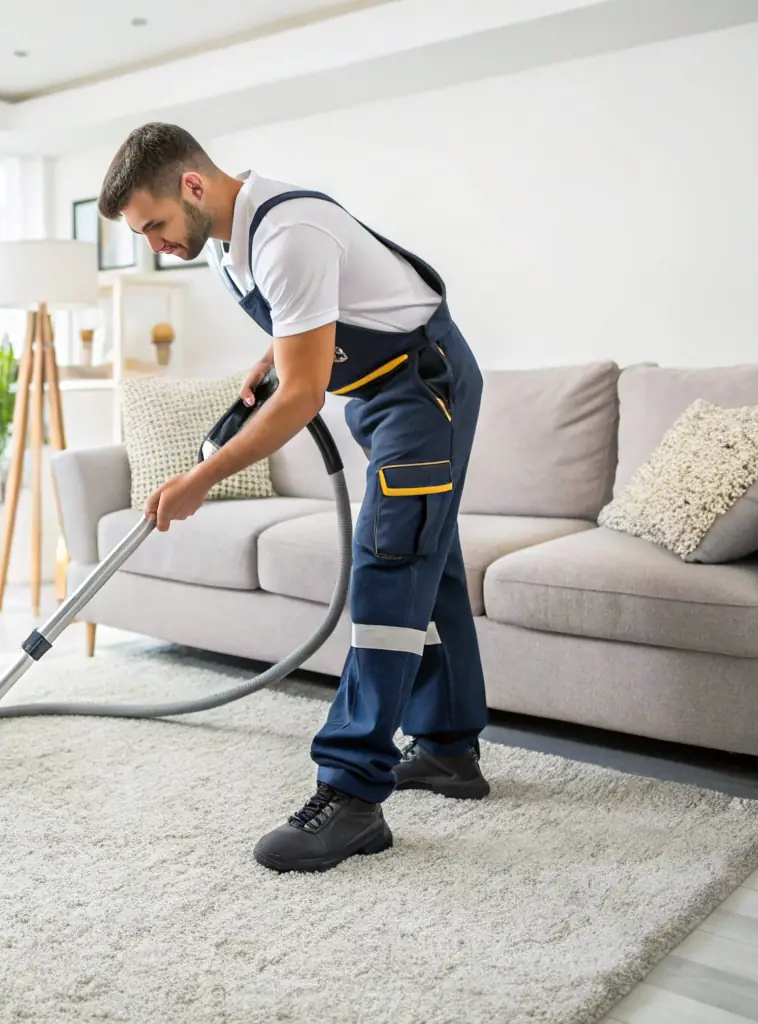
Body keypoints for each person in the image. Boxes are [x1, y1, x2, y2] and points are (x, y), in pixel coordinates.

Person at [97, 122, 490, 873]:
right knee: (424, 562)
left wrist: (200, 482)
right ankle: (447, 750)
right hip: (382, 399)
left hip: (421, 391)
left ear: (192, 186)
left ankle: (349, 793)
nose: (154, 244)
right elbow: (310, 330)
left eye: (153, 225)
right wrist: (270, 359)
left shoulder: (288, 232)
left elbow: (305, 394)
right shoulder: (229, 249)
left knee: (386, 567)